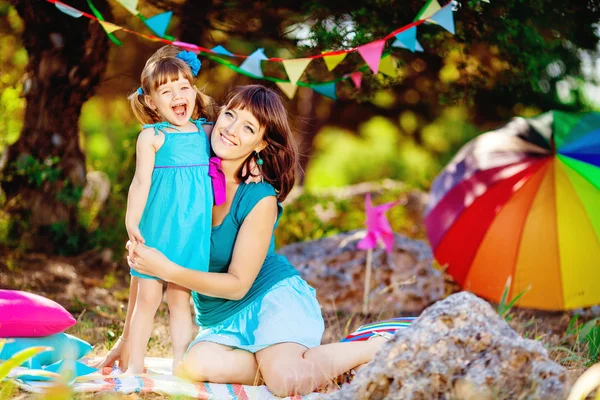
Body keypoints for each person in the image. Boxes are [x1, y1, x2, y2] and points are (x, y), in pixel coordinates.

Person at [97, 85, 389, 397]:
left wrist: (169, 270)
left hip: (271, 301)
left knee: (287, 382)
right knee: (191, 365)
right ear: (217, 116)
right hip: (222, 320)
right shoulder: (186, 173)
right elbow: (144, 265)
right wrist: (126, 338)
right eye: (230, 116)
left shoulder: (258, 198)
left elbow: (238, 284)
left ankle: (375, 346)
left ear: (261, 143)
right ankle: (305, 365)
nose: (231, 130)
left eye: (248, 128)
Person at [123, 44, 217, 374]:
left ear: (193, 90)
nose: (178, 95)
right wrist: (131, 221)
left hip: (192, 232)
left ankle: (181, 364)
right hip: (157, 230)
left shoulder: (206, 132)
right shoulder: (152, 136)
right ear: (151, 102)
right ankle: (135, 366)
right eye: (166, 91)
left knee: (181, 301)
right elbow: (140, 183)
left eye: (184, 86)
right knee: (147, 300)